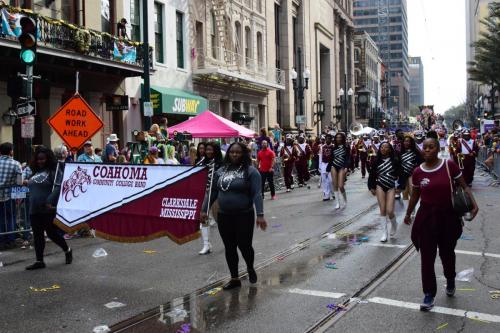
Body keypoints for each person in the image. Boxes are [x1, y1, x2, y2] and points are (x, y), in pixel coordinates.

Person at [404, 135, 479, 311]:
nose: (427, 150)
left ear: (438, 149)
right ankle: (429, 294)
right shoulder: (418, 172)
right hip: (427, 217)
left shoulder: (449, 165)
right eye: (425, 147)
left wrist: (474, 205)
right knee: (427, 257)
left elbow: (464, 186)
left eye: (431, 147)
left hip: (448, 217)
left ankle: (450, 278)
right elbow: (415, 195)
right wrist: (408, 213)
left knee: (447, 253)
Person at [201, 142, 267, 290]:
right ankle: (234, 278)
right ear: (228, 154)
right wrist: (204, 210)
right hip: (224, 216)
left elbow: (257, 194)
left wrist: (260, 214)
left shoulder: (250, 171)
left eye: (238, 152)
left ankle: (250, 267)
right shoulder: (221, 171)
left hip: (244, 215)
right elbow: (213, 192)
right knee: (229, 247)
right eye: (232, 152)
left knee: (244, 246)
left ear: (244, 154)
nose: (234, 155)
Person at [25, 146, 72, 270]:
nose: (40, 161)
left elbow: (58, 187)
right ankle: (39, 261)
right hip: (34, 209)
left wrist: (49, 201)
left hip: (47, 208)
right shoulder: (35, 172)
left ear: (48, 159)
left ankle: (67, 250)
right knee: (38, 236)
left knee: (52, 233)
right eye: (38, 159)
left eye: (43, 159)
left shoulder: (54, 171)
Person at [368, 141, 400, 242]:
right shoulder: (376, 161)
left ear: (390, 149)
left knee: (390, 211)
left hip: (391, 186)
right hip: (380, 186)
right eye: (382, 147)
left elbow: (400, 174)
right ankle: (384, 233)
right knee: (382, 210)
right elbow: (372, 175)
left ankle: (394, 224)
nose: (383, 149)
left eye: (386, 147)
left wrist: (400, 186)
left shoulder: (394, 161)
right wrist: (371, 187)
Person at [198, 142, 223, 255]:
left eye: (210, 150)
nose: (208, 152)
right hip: (206, 193)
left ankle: (229, 240)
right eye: (207, 149)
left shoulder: (221, 164)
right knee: (203, 216)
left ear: (216, 151)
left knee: (220, 220)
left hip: (218, 193)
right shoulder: (202, 162)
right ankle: (206, 245)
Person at [0, 142, 23, 249]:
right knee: (11, 217)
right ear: (11, 152)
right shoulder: (16, 164)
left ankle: (1, 240)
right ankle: (10, 240)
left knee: (1, 218)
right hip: (9, 195)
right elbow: (19, 182)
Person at [398, 136, 423, 200]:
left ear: (411, 143)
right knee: (404, 193)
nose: (406, 143)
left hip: (412, 174)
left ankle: (412, 209)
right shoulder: (399, 152)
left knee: (412, 193)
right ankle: (407, 209)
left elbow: (421, 162)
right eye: (405, 141)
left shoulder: (415, 151)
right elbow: (397, 164)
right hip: (403, 175)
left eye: (408, 141)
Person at [330, 133, 351, 209]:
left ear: (342, 138)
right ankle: (337, 203)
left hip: (342, 166)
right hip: (334, 166)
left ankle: (345, 200)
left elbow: (348, 158)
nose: (338, 139)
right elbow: (331, 158)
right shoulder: (333, 147)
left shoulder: (346, 147)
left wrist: (346, 167)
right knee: (335, 185)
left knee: (341, 185)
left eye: (340, 137)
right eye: (337, 137)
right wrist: (328, 167)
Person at [319, 134, 334, 201]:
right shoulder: (322, 147)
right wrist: (319, 166)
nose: (327, 140)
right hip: (323, 164)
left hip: (331, 165)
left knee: (330, 180)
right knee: (324, 180)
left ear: (331, 139)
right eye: (326, 139)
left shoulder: (333, 147)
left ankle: (333, 192)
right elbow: (320, 156)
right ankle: (326, 194)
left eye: (329, 138)